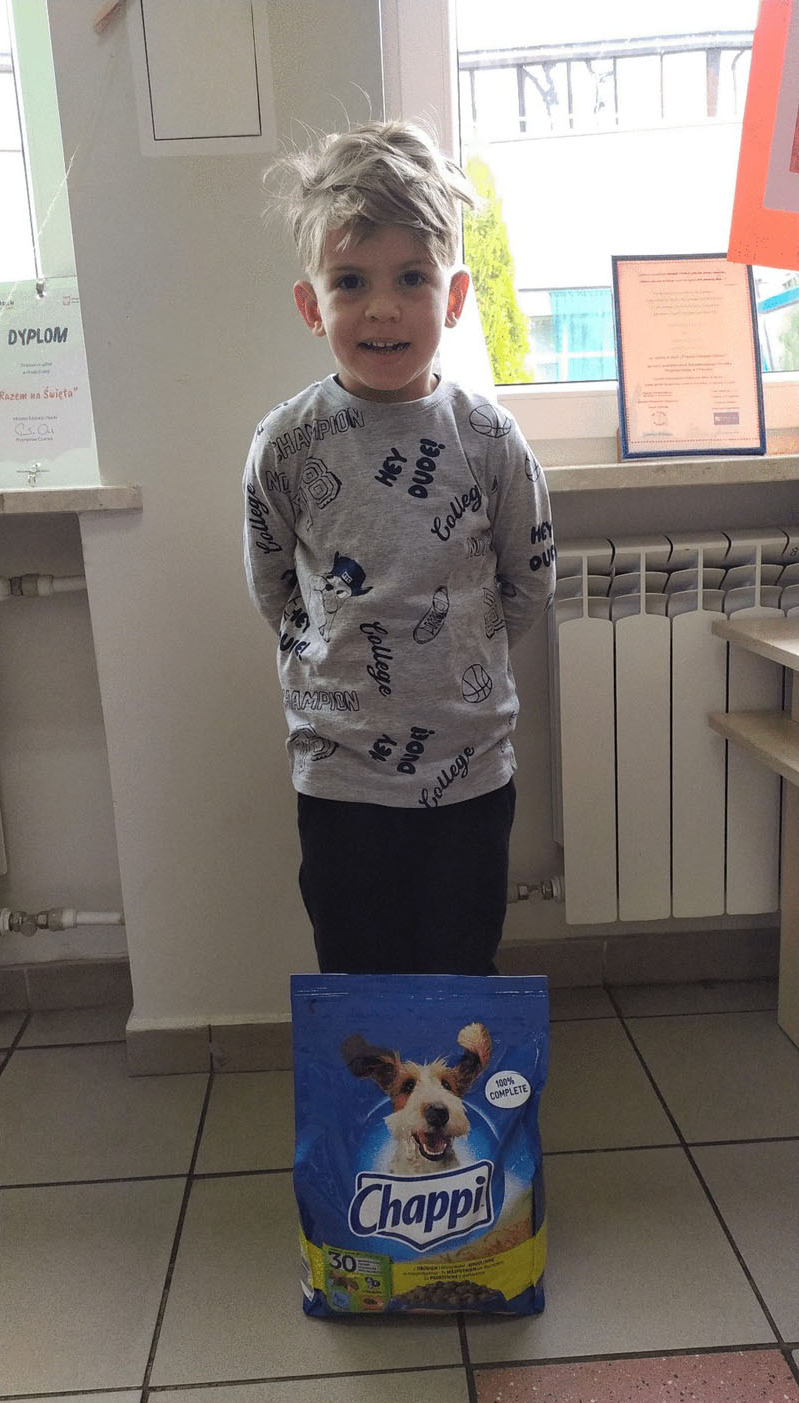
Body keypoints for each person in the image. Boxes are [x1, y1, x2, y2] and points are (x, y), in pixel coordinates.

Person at [243, 120, 556, 975]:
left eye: (411, 277)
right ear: (312, 306)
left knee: (460, 975)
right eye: (351, 281)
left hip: (470, 777)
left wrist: (455, 667)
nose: (382, 306)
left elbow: (527, 582)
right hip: (340, 780)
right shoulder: (286, 446)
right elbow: (275, 589)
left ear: (453, 297)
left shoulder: (490, 440)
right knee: (358, 982)